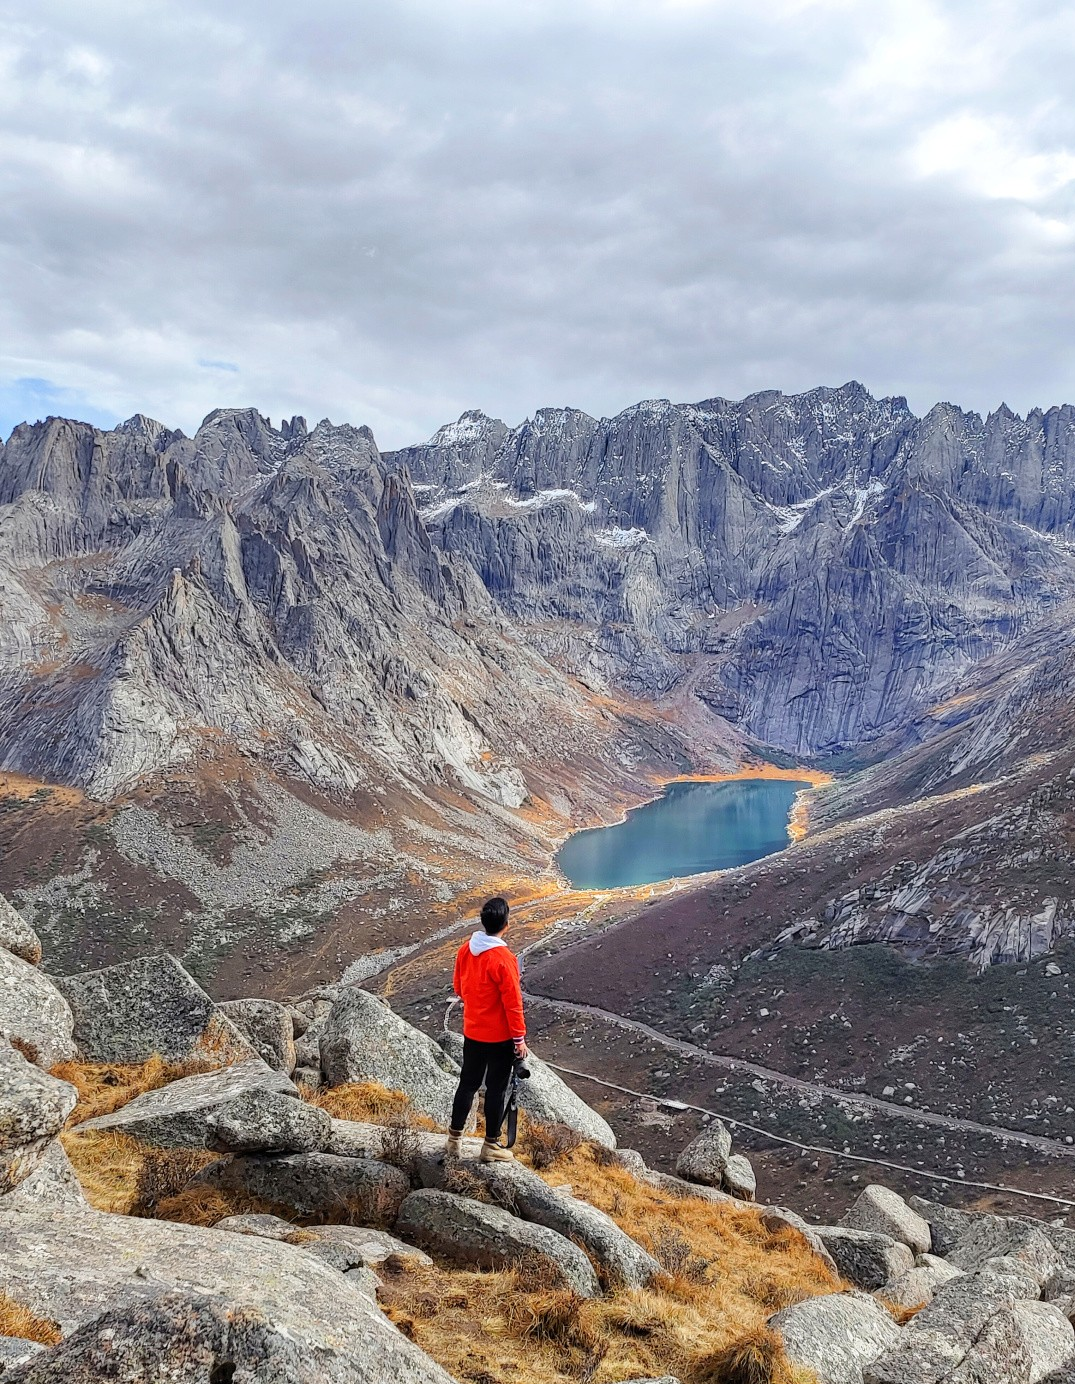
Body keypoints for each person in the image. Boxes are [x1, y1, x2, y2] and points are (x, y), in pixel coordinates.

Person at [446, 895, 528, 1162]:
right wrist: (519, 1040)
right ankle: (490, 1146)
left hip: (472, 1032)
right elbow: (513, 1004)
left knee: (467, 1085)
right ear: (506, 924)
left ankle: (453, 1141)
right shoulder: (504, 959)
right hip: (499, 1038)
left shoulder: (465, 950)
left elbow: (459, 988)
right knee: (495, 1090)